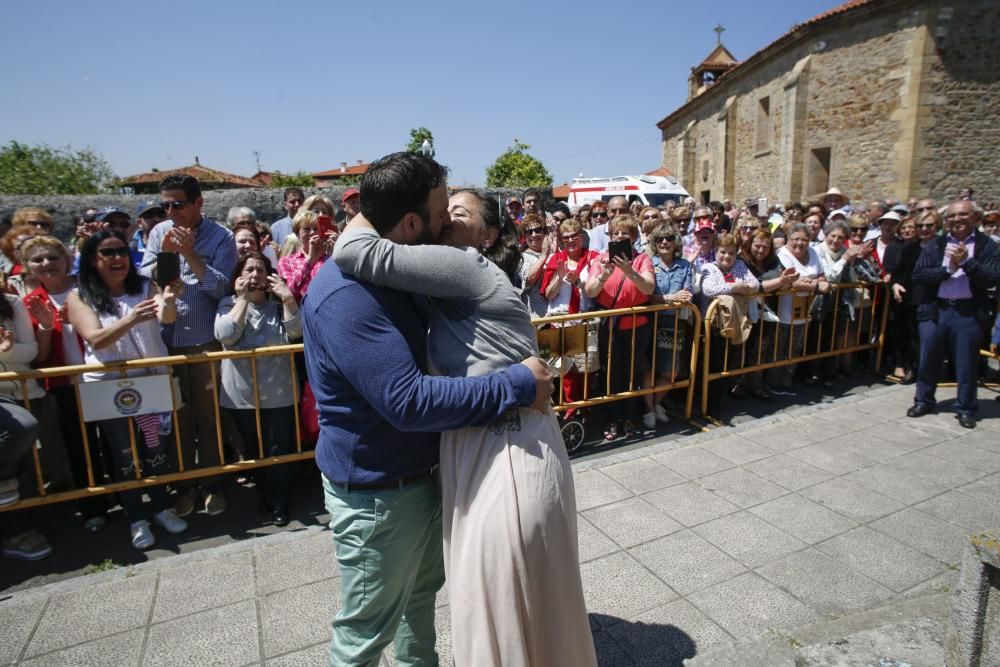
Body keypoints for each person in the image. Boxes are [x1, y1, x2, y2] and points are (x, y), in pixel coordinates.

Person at [303, 152, 558, 666]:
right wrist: (517, 383)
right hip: (379, 497)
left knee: (417, 611)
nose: (447, 223)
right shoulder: (346, 295)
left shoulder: (403, 272)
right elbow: (409, 401)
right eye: (443, 213)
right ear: (412, 222)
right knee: (364, 635)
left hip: (420, 479)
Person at [67, 230, 189, 549]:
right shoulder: (79, 296)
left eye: (122, 251)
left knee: (156, 449)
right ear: (93, 261)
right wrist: (132, 318)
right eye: (108, 253)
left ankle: (161, 507)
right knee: (124, 455)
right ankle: (136, 518)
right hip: (110, 387)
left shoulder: (145, 286)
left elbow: (166, 316)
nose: (118, 258)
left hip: (152, 380)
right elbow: (95, 339)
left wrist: (171, 300)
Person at [139, 174, 237, 517]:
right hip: (165, 346)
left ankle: (211, 484)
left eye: (177, 204)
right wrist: (168, 252)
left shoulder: (221, 237)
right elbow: (149, 277)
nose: (170, 212)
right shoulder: (157, 233)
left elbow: (220, 288)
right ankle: (182, 485)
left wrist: (191, 254)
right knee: (176, 421)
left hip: (203, 344)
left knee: (208, 420)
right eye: (166, 205)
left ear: (198, 203)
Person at [20, 235, 108, 532]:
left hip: (102, 376)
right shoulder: (30, 303)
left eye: (52, 257)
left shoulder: (90, 287)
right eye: (37, 260)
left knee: (111, 440)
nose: (46, 264)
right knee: (78, 446)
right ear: (27, 267)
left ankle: (126, 495)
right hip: (64, 382)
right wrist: (45, 325)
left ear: (66, 259)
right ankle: (92, 505)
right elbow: (41, 356)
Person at [215, 252, 300, 526]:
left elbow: (297, 332)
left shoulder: (278, 306)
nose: (255, 275)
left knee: (279, 450)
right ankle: (263, 495)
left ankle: (281, 502)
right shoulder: (226, 304)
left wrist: (287, 298)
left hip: (279, 394)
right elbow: (226, 335)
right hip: (242, 396)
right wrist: (241, 299)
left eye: (260, 270)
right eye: (249, 270)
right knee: (253, 449)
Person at [908, 200, 1000, 428]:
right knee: (928, 358)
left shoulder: (986, 245)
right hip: (936, 309)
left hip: (967, 311)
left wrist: (967, 263)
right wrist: (946, 270)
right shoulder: (935, 245)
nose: (957, 219)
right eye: (952, 216)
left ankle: (966, 407)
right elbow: (919, 275)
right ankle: (924, 400)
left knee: (966, 362)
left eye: (962, 215)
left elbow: (992, 277)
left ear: (975, 218)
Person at [584, 215, 655, 440]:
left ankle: (628, 418)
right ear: (610, 236)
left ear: (633, 237)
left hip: (636, 325)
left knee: (632, 373)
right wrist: (605, 275)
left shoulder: (642, 259)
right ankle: (612, 419)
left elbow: (649, 288)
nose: (620, 237)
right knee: (611, 375)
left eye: (625, 233)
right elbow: (591, 291)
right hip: (611, 326)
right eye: (616, 233)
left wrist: (629, 271)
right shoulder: (601, 259)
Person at [643, 223, 692, 425]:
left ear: (675, 242)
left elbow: (687, 293)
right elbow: (646, 294)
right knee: (648, 369)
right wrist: (670, 297)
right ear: (654, 243)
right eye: (660, 239)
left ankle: (654, 405)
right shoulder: (647, 263)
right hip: (651, 321)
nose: (664, 242)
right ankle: (649, 409)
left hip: (673, 322)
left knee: (669, 371)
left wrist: (664, 298)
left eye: (669, 238)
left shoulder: (685, 265)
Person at [517, 213, 553, 318]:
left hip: (556, 316)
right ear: (525, 236)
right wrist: (543, 256)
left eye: (537, 230)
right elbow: (529, 280)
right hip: (537, 318)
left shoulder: (552, 253)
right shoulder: (522, 257)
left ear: (544, 232)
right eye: (529, 232)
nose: (533, 234)